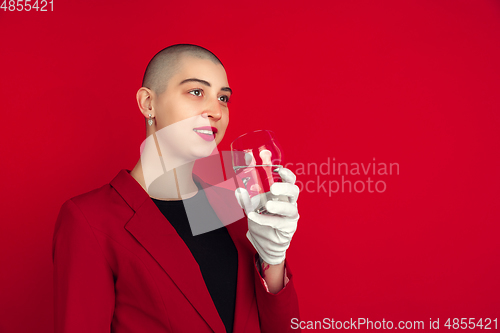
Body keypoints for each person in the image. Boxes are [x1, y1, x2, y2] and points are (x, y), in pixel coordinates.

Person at [52, 44, 301, 333]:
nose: (216, 111)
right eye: (197, 92)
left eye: (223, 98)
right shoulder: (89, 219)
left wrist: (273, 261)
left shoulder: (235, 206)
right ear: (148, 103)